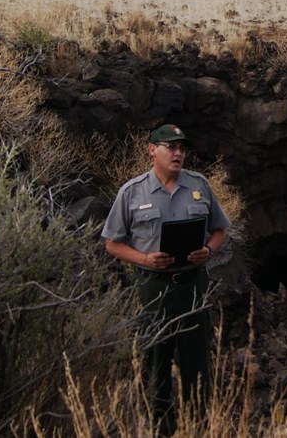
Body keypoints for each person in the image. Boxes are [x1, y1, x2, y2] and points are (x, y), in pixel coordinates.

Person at [102, 124, 230, 432]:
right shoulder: (132, 192)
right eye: (170, 147)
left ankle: (197, 428)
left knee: (196, 365)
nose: (177, 153)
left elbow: (220, 230)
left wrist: (208, 252)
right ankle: (161, 429)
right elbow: (112, 243)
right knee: (155, 365)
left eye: (181, 148)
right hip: (154, 287)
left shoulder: (199, 185)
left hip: (193, 286)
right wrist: (145, 259)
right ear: (152, 150)